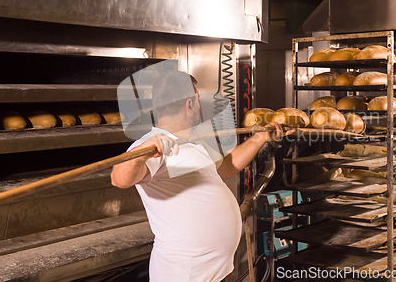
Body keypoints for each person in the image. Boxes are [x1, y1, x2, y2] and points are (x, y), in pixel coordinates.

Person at [111, 70, 285, 282]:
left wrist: (261, 137)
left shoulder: (193, 142)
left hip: (213, 272)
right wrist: (145, 150)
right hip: (185, 273)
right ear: (190, 104)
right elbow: (119, 178)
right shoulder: (151, 144)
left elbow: (225, 167)